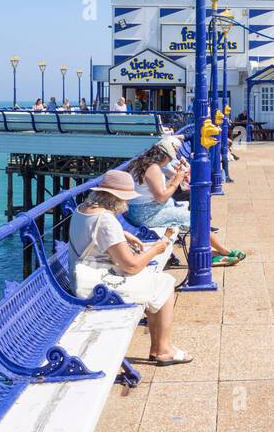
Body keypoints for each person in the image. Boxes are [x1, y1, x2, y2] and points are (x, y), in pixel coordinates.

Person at [69, 170, 191, 366]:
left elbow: (93, 233)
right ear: (116, 198)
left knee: (155, 283)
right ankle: (163, 349)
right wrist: (156, 250)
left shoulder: (82, 209)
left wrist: (123, 234)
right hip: (97, 285)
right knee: (165, 283)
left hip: (83, 273)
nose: (126, 206)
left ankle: (158, 347)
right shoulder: (106, 220)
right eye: (125, 200)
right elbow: (131, 266)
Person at [125, 136, 244, 266]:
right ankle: (219, 252)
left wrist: (176, 176)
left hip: (141, 211)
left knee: (190, 216)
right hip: (147, 215)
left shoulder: (144, 165)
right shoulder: (153, 169)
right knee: (195, 218)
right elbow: (161, 197)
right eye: (170, 158)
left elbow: (159, 190)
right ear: (164, 156)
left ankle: (212, 251)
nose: (169, 161)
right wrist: (177, 180)